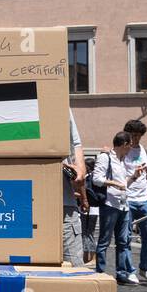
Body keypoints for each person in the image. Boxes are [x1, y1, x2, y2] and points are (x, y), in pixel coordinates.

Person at [90, 132, 135, 283]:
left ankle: (121, 274)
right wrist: (115, 184)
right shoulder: (105, 157)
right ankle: (100, 271)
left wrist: (134, 177)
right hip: (109, 203)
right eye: (130, 144)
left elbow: (123, 183)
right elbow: (97, 179)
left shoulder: (123, 160)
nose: (131, 148)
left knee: (123, 241)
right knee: (104, 240)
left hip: (123, 204)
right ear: (124, 144)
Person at [123, 119, 147, 282]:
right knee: (126, 237)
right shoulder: (122, 151)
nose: (135, 139)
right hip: (127, 198)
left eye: (138, 136)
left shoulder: (145, 150)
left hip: (144, 199)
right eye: (133, 135)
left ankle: (145, 267)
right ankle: (130, 270)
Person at [61, 111, 87, 266]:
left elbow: (75, 142)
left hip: (64, 204)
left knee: (73, 266)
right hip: (19, 205)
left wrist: (80, 167)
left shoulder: (58, 96)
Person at [81, 155, 100, 264]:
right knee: (86, 233)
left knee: (88, 234)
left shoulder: (90, 178)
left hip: (90, 209)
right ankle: (86, 257)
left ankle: (92, 257)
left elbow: (88, 191)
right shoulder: (90, 177)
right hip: (89, 209)